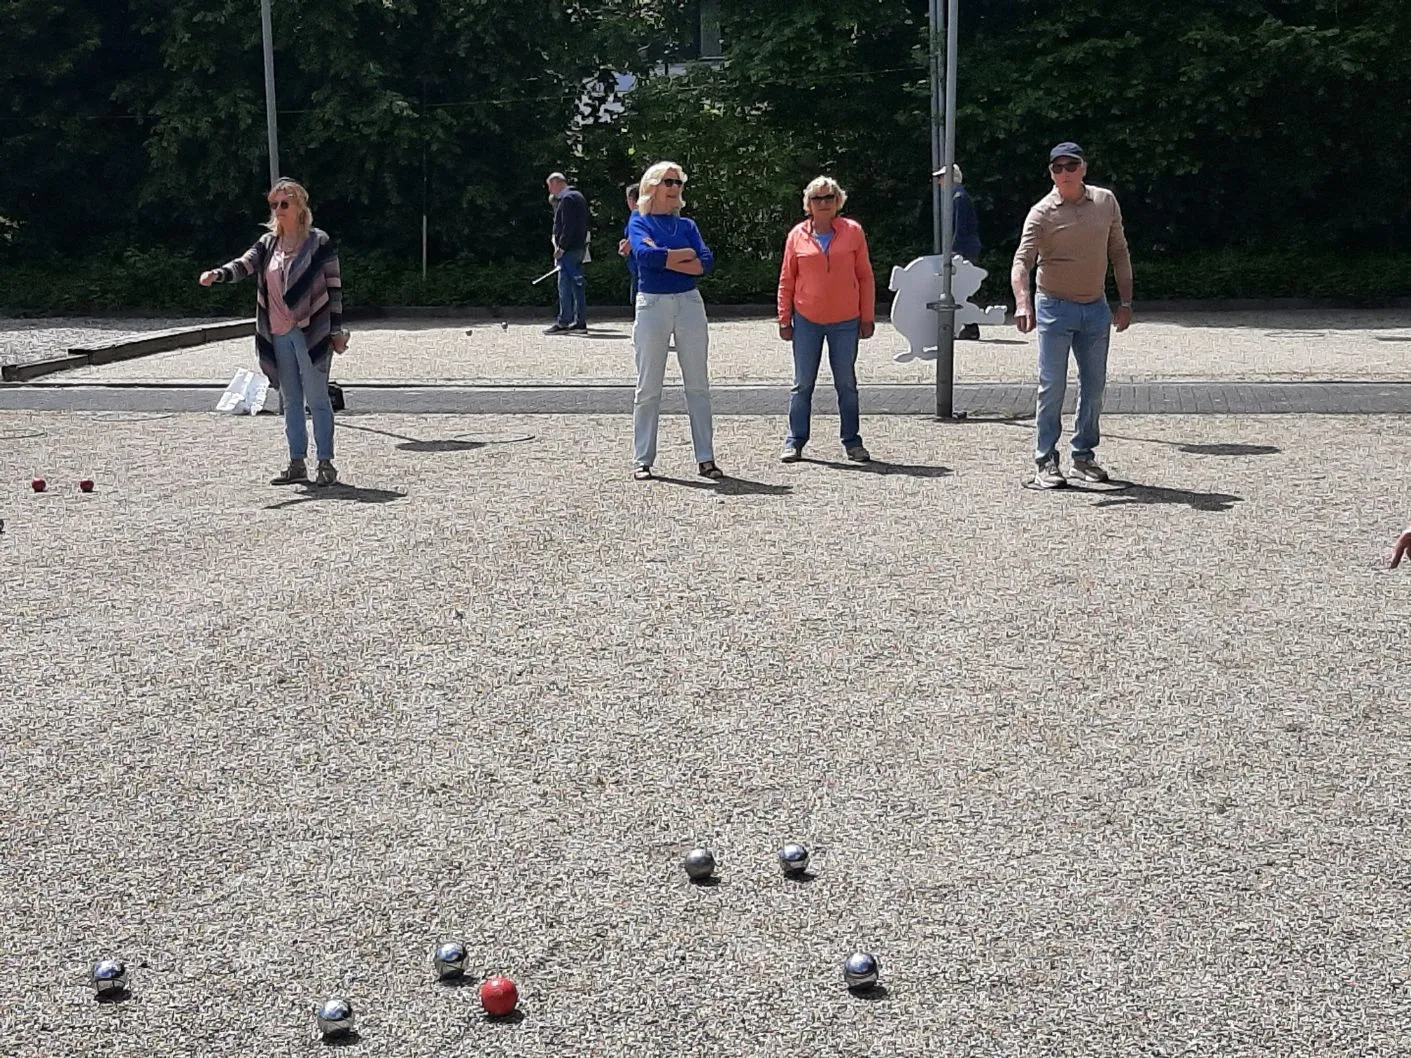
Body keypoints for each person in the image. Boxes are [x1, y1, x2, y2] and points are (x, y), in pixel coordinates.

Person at [199, 178, 347, 487]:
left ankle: (326, 463)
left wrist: (335, 329)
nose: (278, 210)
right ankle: (296, 462)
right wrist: (218, 274)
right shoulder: (268, 243)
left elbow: (333, 288)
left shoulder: (318, 242)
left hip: (312, 332)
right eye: (273, 204)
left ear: (299, 206)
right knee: (290, 400)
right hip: (277, 332)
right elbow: (244, 264)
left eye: (284, 204)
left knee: (318, 399)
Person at [1011, 141, 1133, 489]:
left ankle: (1083, 455)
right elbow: (1022, 261)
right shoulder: (1042, 212)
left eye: (1071, 165)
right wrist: (1023, 302)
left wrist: (1125, 302)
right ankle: (1045, 459)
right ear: (1051, 172)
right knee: (1052, 385)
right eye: (1057, 167)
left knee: (1094, 386)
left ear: (1083, 167)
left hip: (1095, 307)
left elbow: (1119, 252)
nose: (1064, 172)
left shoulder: (1106, 201)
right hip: (1054, 306)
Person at [626, 160, 720, 481]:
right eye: (668, 182)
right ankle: (643, 458)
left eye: (678, 183)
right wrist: (683, 257)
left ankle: (706, 458)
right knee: (649, 386)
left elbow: (705, 262)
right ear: (652, 186)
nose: (674, 188)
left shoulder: (687, 226)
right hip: (653, 304)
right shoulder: (639, 221)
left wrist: (667, 258)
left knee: (698, 384)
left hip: (689, 303)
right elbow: (644, 257)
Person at [776, 176, 876, 463]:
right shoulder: (797, 235)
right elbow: (787, 279)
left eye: (828, 198)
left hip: (846, 319)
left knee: (846, 383)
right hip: (807, 318)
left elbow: (865, 276)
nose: (823, 203)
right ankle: (795, 440)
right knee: (802, 383)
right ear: (808, 203)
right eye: (817, 198)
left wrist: (867, 316)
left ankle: (852, 441)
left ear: (837, 202)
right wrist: (784, 319)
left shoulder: (853, 231)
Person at [933, 163, 982, 340]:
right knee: (960, 287)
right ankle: (968, 325)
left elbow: (959, 228)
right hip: (966, 246)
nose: (939, 182)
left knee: (960, 287)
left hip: (963, 248)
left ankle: (970, 326)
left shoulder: (958, 198)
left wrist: (953, 251)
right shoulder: (958, 196)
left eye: (941, 177)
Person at [544, 171, 589, 334]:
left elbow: (567, 226)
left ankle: (565, 321)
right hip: (579, 246)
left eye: (549, 185)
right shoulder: (578, 196)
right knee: (577, 284)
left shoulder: (567, 199)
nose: (549, 189)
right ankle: (579, 320)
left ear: (556, 183)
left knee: (565, 285)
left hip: (569, 249)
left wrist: (561, 247)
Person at [618, 182, 641, 304]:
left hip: (638, 263)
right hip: (637, 263)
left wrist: (626, 246)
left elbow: (638, 233)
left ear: (631, 199)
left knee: (638, 299)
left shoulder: (637, 213)